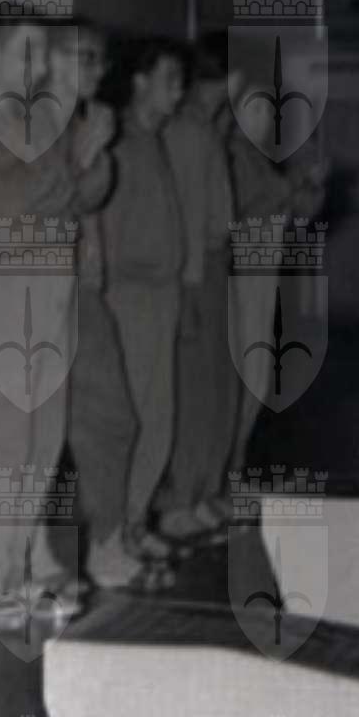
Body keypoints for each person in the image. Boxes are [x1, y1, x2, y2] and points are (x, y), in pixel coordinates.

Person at [0, 9, 115, 630]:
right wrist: (76, 162)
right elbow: (5, 209)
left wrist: (86, 159)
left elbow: (81, 195)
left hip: (49, 283)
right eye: (28, 53)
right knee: (2, 439)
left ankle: (22, 567)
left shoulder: (33, 121)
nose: (40, 68)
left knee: (43, 438)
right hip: (0, 285)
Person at [49, 19, 138, 596]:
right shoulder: (33, 126)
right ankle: (73, 554)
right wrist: (87, 153)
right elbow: (48, 202)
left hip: (81, 288)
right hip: (39, 292)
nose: (97, 71)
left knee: (111, 417)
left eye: (100, 60)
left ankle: (105, 540)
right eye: (84, 57)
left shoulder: (83, 122)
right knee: (47, 434)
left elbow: (92, 197)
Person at [96, 37, 189, 582]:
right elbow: (111, 237)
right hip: (131, 297)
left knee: (159, 417)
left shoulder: (155, 142)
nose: (178, 92)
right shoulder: (123, 144)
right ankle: (117, 531)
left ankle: (135, 521)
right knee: (131, 418)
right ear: (140, 82)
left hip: (161, 295)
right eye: (169, 80)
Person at [226, 61, 330, 479]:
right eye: (255, 108)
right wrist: (297, 183)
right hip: (238, 283)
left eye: (270, 110)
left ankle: (231, 469)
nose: (265, 118)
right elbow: (251, 201)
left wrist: (311, 188)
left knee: (254, 379)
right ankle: (223, 472)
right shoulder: (231, 155)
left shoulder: (263, 161)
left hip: (262, 282)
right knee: (239, 380)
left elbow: (293, 215)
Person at [157, 35, 239, 549]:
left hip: (212, 266)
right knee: (194, 392)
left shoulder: (206, 128)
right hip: (198, 270)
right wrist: (188, 287)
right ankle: (180, 502)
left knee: (215, 389)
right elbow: (187, 217)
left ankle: (203, 492)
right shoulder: (188, 132)